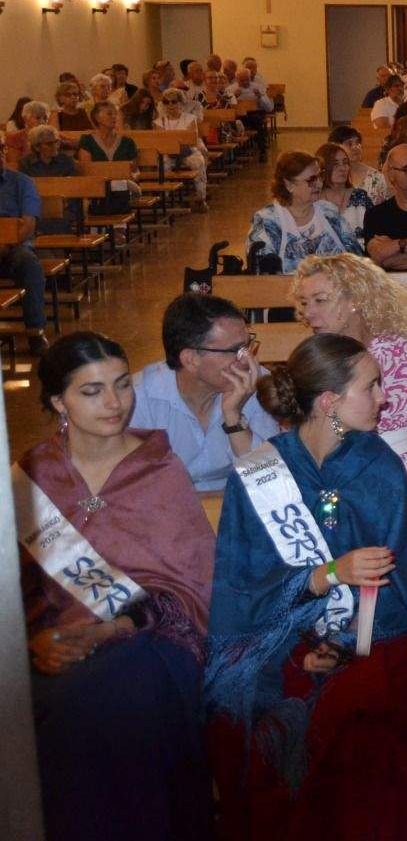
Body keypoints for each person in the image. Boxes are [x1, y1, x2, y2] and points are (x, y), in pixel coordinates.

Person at [205, 333, 407, 838]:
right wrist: (314, 609)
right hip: (281, 645)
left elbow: (405, 586)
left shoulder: (379, 466)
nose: (383, 398)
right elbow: (243, 586)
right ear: (329, 402)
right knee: (253, 717)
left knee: (370, 704)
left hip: (375, 641)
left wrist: (347, 643)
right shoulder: (262, 473)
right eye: (371, 387)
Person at [18, 332, 216, 841]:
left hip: (149, 643)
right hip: (49, 647)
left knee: (113, 694)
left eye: (123, 385)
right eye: (92, 391)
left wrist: (109, 631)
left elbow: (189, 591)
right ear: (58, 401)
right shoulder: (31, 476)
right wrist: (35, 644)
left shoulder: (158, 468)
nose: (114, 403)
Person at [292, 253, 407, 478]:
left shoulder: (401, 348)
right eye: (304, 302)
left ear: (355, 300)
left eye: (320, 300)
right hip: (342, 473)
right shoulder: (315, 358)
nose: (308, 313)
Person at [127, 293, 280, 492]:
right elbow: (129, 486)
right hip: (166, 509)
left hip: (234, 505)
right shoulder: (138, 399)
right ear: (191, 359)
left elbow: (268, 480)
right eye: (236, 350)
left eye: (247, 346)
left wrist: (234, 419)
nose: (247, 360)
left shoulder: (253, 384)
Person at [248, 151, 364, 273]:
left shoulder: (329, 212)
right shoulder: (267, 221)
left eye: (320, 176)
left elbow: (357, 259)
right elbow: (261, 275)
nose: (319, 183)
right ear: (289, 185)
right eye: (311, 180)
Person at [0, 144, 49, 353]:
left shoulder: (21, 182)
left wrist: (6, 243)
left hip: (15, 246)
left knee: (29, 264)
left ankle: (35, 331)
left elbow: (29, 223)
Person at [314, 141, 372, 232]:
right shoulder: (315, 200)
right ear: (322, 168)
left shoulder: (360, 196)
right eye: (335, 164)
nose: (342, 168)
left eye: (345, 163)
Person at [329, 124, 390, 204]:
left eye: (358, 143)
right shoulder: (329, 177)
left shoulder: (376, 178)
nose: (356, 147)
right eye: (349, 144)